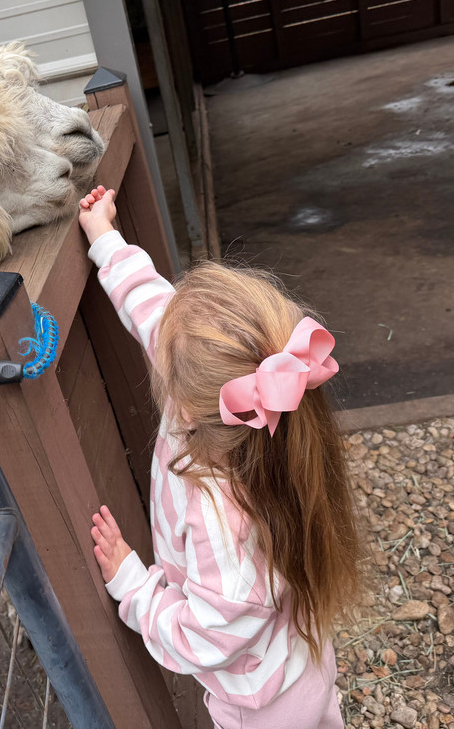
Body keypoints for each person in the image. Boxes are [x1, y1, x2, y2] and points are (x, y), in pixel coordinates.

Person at [79, 185, 366, 729]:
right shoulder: (258, 410)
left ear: (183, 405)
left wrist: (133, 586)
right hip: (303, 651)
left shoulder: (224, 530)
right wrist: (104, 237)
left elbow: (201, 640)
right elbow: (151, 306)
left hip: (261, 702)